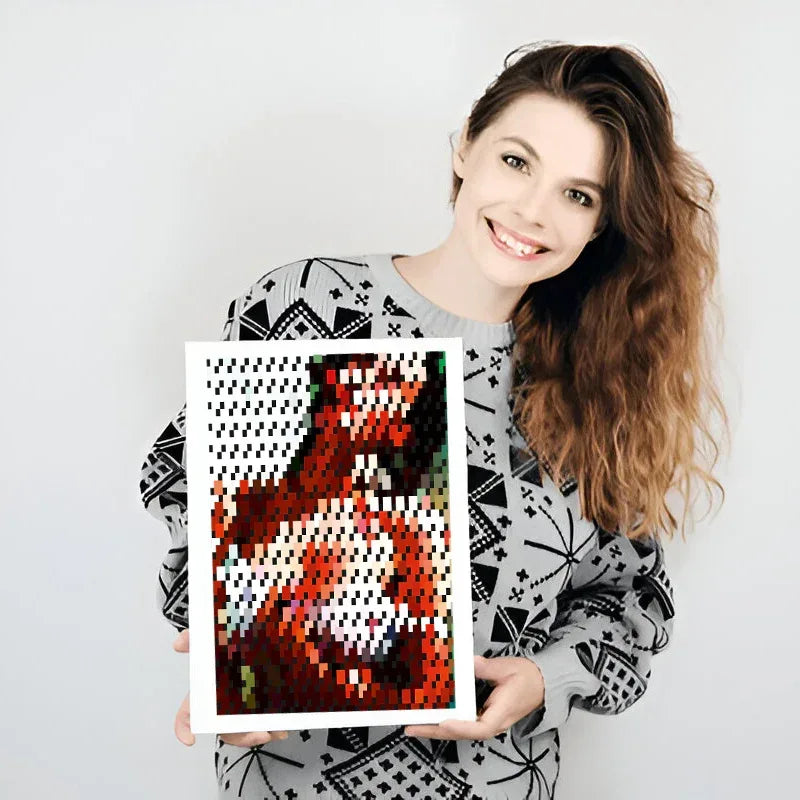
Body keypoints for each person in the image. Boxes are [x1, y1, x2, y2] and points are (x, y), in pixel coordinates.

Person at [139, 40, 727, 800]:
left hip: (495, 781)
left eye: (578, 196)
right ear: (464, 148)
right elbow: (188, 492)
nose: (532, 211)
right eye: (516, 162)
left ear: (600, 226)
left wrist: (543, 678)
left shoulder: (600, 383)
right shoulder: (309, 306)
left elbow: (630, 601)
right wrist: (230, 660)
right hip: (292, 778)